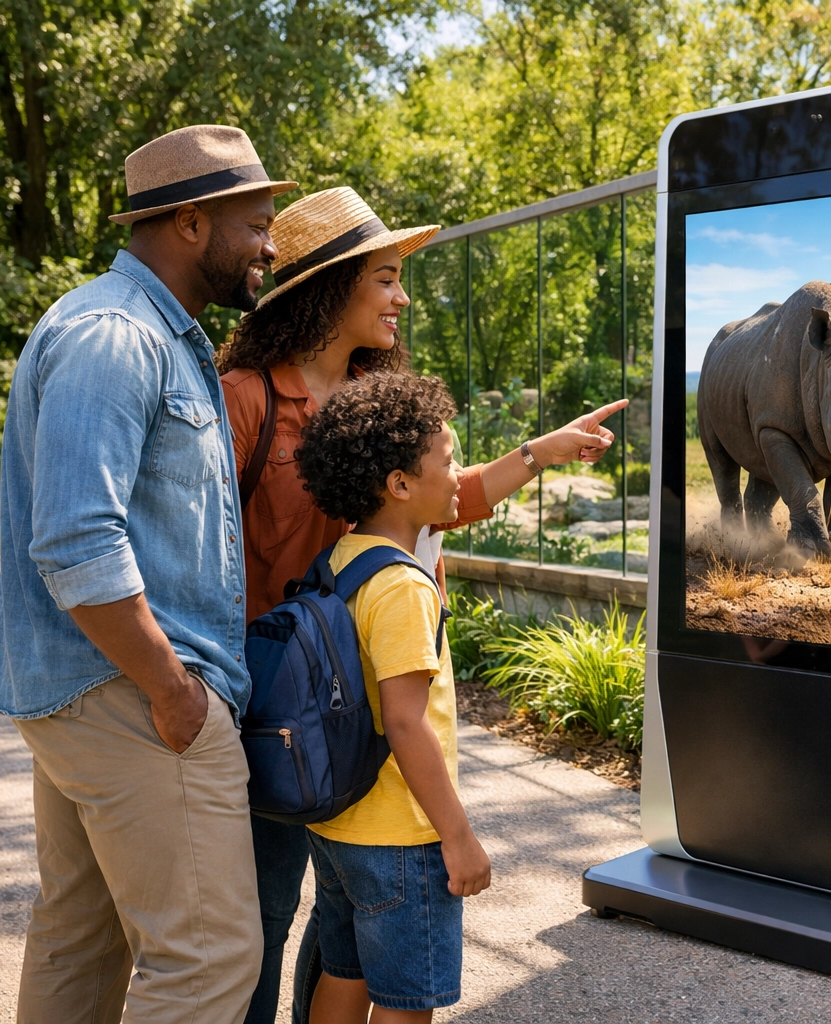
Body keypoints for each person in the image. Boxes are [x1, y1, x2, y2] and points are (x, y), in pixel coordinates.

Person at [216, 186, 627, 1023]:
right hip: (280, 700)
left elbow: (440, 501)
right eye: (386, 278)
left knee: (342, 919)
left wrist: (541, 452)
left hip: (369, 701)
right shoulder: (244, 400)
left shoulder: (375, 398)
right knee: (262, 911)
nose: (401, 297)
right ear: (330, 288)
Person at [0, 125, 297, 1023]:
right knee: (210, 958)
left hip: (92, 692)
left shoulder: (141, 330)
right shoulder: (117, 335)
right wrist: (171, 688)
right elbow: (77, 539)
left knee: (81, 944)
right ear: (191, 222)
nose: (270, 247)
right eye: (256, 224)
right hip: (133, 697)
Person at [297, 372, 485, 1022]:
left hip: (339, 823)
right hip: (401, 836)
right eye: (449, 460)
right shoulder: (403, 586)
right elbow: (406, 723)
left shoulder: (341, 560)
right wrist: (458, 837)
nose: (459, 475)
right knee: (407, 1002)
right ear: (400, 484)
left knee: (344, 974)